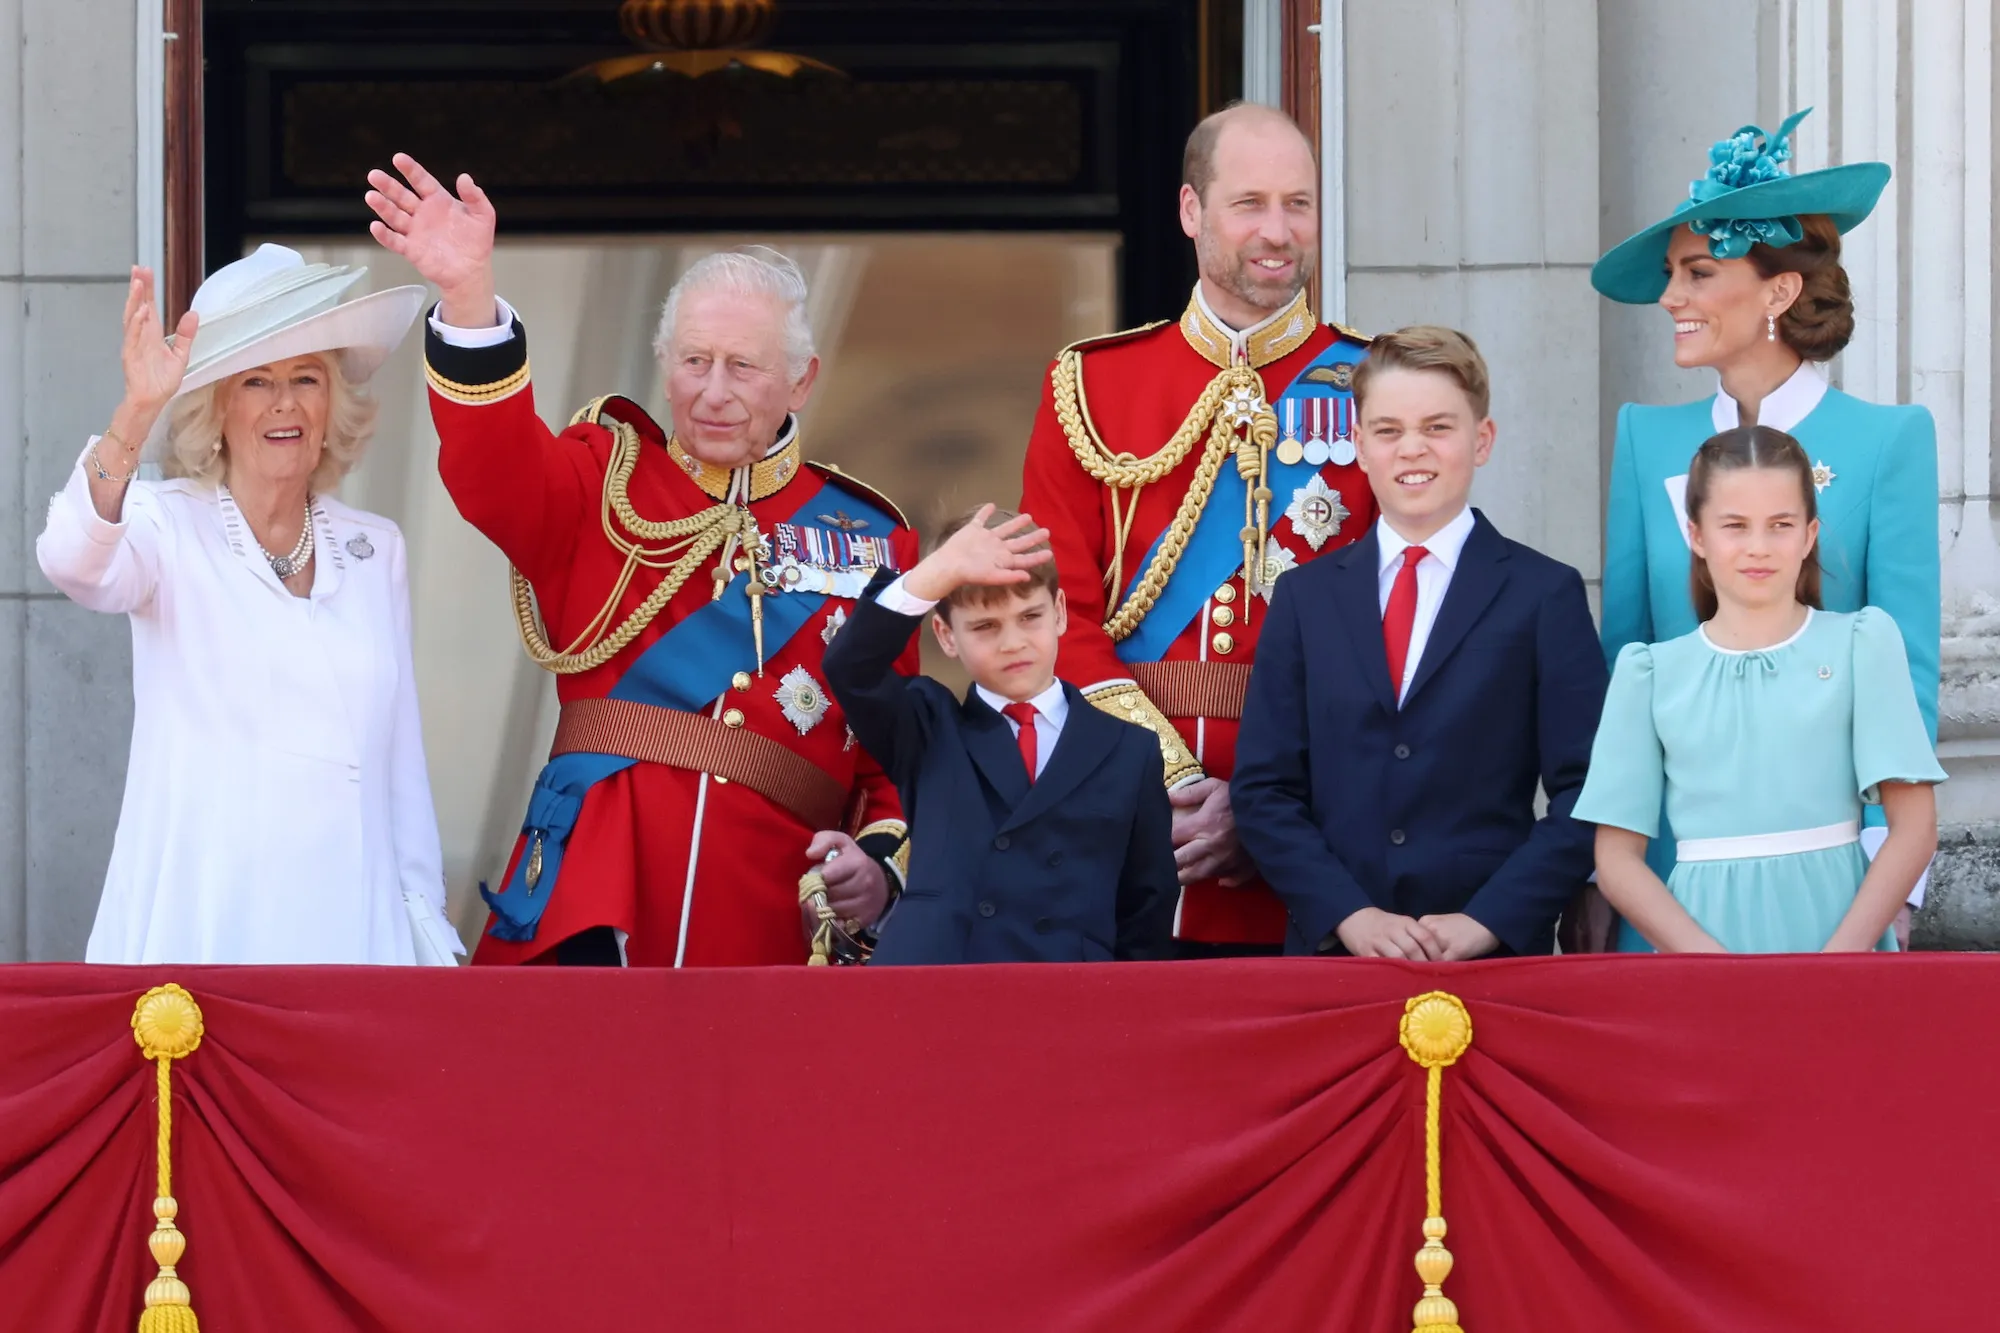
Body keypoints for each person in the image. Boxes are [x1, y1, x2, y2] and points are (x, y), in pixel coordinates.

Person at [365, 154, 917, 967]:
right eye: (694, 361)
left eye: (743, 366)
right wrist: (468, 298)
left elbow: (894, 757)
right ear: (665, 364)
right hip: (592, 903)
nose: (713, 391)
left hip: (768, 925)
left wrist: (878, 865)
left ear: (801, 380)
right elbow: (494, 473)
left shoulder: (872, 540)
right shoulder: (603, 476)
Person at [1019, 102, 1377, 959]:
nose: (1278, 231)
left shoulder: (1378, 387)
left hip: (1316, 845)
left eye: (1299, 203)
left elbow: (1400, 628)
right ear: (1191, 212)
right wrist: (1170, 780)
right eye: (1249, 203)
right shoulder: (1093, 385)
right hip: (1129, 827)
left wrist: (1263, 806)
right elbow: (1051, 613)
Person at [36, 247, 456, 965]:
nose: (285, 402)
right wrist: (135, 414)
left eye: (306, 377)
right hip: (209, 932)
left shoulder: (373, 548)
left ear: (331, 404)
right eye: (257, 380)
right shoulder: (165, 527)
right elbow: (72, 559)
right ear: (218, 408)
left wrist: (425, 939)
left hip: (356, 940)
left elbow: (400, 770)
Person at [1593, 109, 1938, 932]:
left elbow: (1910, 670)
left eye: (1699, 272)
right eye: (1674, 274)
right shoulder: (1646, 435)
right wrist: (1610, 878)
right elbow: (1622, 661)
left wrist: (1890, 894)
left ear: (1779, 290)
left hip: (1837, 890)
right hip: (1676, 891)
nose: (1671, 297)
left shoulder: (1889, 440)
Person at [1230, 327, 1606, 959]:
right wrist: (1348, 914)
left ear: (1481, 441)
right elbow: (1265, 791)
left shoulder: (1545, 594)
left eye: (1438, 428)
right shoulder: (1304, 598)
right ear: (1358, 443)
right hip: (1335, 955)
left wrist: (1490, 919)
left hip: (1490, 955)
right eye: (1388, 430)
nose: (1412, 450)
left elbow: (1590, 789)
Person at [1575, 427, 1943, 953]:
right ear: (1696, 535)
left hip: (1839, 938)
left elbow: (1915, 829)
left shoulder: (1861, 645)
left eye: (1780, 525)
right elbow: (1615, 859)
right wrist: (1712, 965)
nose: (1758, 547)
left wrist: (1837, 962)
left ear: (1809, 534)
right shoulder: (1650, 674)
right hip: (1701, 952)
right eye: (1735, 526)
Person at [823, 505, 1176, 964]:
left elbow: (1145, 912)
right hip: (934, 991)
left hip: (1070, 1002)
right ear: (946, 637)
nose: (1013, 642)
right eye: (985, 626)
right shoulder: (927, 725)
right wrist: (938, 572)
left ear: (1061, 613)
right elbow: (851, 667)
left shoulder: (1131, 749)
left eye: (1030, 616)